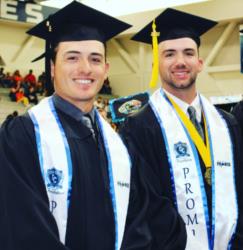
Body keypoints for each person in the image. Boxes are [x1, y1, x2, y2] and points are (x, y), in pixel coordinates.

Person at [0, 2, 186, 250]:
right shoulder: (22, 136)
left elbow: (144, 219)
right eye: (72, 57)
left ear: (105, 69)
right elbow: (23, 229)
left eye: (95, 59)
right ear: (53, 67)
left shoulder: (120, 146)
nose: (85, 68)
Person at [120, 8, 243, 249]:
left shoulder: (227, 123)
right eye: (169, 54)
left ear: (199, 62)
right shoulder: (139, 127)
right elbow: (144, 205)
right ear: (157, 62)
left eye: (188, 53)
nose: (180, 62)